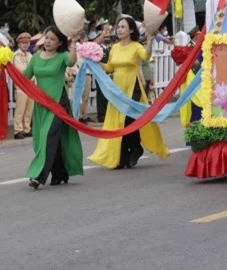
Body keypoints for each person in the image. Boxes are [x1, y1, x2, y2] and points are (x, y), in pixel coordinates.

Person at [90, 15, 169, 170]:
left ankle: (136, 147)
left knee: (128, 119)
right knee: (119, 122)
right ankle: (124, 156)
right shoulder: (114, 48)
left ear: (131, 29)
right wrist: (94, 62)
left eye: (123, 27)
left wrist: (150, 41)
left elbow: (146, 56)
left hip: (134, 86)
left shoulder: (135, 46)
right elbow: (110, 68)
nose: (119, 29)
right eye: (118, 27)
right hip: (118, 89)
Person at [22, 25, 83, 188]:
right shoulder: (35, 58)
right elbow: (25, 76)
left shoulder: (62, 55)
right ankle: (60, 172)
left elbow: (71, 61)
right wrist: (5, 66)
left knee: (48, 136)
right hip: (41, 104)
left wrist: (74, 43)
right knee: (48, 138)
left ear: (59, 43)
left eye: (53, 39)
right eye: (47, 37)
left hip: (58, 103)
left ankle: (38, 175)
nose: (48, 41)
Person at [12, 33, 34, 139]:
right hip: (21, 84)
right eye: (23, 43)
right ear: (19, 44)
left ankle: (27, 128)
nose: (26, 45)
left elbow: (34, 68)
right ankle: (18, 130)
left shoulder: (30, 55)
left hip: (31, 84)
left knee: (29, 107)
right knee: (20, 108)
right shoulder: (16, 55)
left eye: (27, 43)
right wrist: (32, 75)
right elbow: (22, 71)